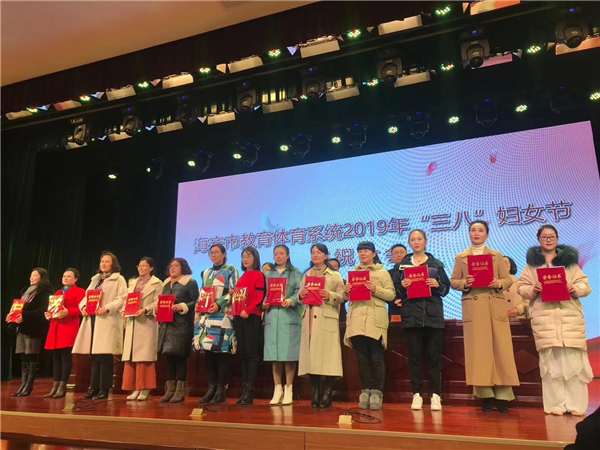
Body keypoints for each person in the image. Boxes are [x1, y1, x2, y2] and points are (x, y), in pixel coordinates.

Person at [518, 225, 593, 416]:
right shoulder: (532, 266)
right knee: (551, 366)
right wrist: (533, 289)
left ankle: (576, 405)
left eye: (552, 236)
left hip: (570, 318)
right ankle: (555, 405)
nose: (548, 239)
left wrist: (575, 289)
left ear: (557, 239)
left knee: (574, 364)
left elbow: (585, 286)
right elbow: (522, 288)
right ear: (539, 239)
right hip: (545, 320)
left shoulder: (570, 264)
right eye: (544, 236)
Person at [450, 220, 519, 413]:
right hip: (474, 306)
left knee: (501, 351)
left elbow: (507, 280)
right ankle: (486, 396)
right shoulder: (461, 257)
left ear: (487, 234)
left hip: (494, 305)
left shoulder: (496, 256)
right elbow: (453, 281)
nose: (476, 233)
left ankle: (503, 397)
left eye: (480, 230)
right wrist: (465, 282)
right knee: (479, 353)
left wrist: (498, 283)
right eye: (473, 230)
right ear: (469, 234)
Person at [393, 230, 450, 411]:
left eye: (419, 239)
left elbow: (446, 288)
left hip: (433, 315)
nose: (416, 242)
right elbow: (395, 291)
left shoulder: (436, 264)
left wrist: (437, 285)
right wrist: (402, 286)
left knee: (434, 358)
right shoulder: (402, 266)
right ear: (409, 243)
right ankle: (416, 394)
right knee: (415, 358)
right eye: (413, 239)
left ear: (425, 241)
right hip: (411, 316)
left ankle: (436, 395)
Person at [343, 242, 395, 410]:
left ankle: (377, 393)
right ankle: (365, 391)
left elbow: (391, 295)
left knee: (376, 357)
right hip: (357, 319)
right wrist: (346, 290)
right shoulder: (354, 273)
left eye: (366, 250)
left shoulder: (382, 272)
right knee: (362, 358)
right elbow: (346, 297)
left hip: (375, 318)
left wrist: (375, 289)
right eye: (360, 251)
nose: (362, 253)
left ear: (374, 253)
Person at [73, 252, 127, 400]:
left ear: (113, 264)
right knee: (95, 357)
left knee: (105, 357)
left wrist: (107, 308)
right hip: (93, 319)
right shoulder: (96, 279)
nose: (103, 264)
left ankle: (104, 389)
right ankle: (93, 388)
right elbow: (86, 296)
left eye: (107, 262)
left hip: (107, 319)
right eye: (102, 261)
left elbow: (122, 298)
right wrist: (83, 307)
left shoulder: (119, 279)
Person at [298, 244, 345, 409]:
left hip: (326, 318)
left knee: (329, 359)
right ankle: (316, 393)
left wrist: (329, 295)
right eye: (313, 252)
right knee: (312, 359)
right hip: (310, 319)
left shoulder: (334, 275)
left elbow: (342, 296)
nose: (315, 255)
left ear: (326, 256)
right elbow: (299, 296)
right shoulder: (307, 274)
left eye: (318, 252)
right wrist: (300, 295)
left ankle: (327, 394)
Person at [195, 244, 239, 404]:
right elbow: (203, 293)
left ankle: (221, 390)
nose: (213, 255)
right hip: (208, 316)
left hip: (223, 316)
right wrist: (199, 309)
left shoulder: (231, 270)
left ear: (224, 254)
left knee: (221, 353)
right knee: (209, 353)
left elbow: (234, 291)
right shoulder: (206, 272)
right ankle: (211, 388)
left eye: (216, 252)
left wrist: (219, 304)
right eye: (211, 253)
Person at [264, 245, 303, 405]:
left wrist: (290, 301)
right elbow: (264, 294)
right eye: (276, 254)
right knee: (274, 356)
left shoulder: (296, 273)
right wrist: (264, 302)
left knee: (289, 356)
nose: (278, 256)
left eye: (281, 254)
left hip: (289, 317)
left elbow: (300, 292)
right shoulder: (268, 274)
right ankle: (277, 388)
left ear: (288, 255)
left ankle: (289, 389)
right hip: (272, 317)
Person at [7, 268, 54, 397]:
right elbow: (19, 308)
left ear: (42, 277)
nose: (31, 278)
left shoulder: (45, 291)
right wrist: (12, 315)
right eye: (31, 276)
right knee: (23, 357)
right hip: (22, 327)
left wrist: (25, 316)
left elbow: (43, 310)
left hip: (34, 328)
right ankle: (23, 385)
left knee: (31, 356)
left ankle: (28, 387)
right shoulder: (26, 291)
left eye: (34, 276)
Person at [122, 257, 163, 401]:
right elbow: (126, 299)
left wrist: (145, 309)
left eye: (144, 266)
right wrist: (124, 310)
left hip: (146, 322)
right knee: (132, 357)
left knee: (144, 357)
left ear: (151, 268)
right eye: (139, 266)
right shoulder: (133, 283)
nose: (141, 268)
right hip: (132, 322)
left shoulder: (157, 283)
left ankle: (144, 388)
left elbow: (158, 301)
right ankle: (135, 388)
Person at [157, 258, 198, 403]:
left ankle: (180, 391)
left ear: (183, 267)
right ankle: (169, 390)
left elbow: (196, 301)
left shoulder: (189, 282)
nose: (172, 268)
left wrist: (183, 306)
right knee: (169, 357)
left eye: (176, 266)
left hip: (182, 325)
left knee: (180, 357)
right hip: (167, 325)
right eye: (171, 266)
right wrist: (158, 308)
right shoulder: (166, 283)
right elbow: (163, 300)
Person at [43, 268, 85, 398]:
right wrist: (49, 314)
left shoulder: (80, 291)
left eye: (69, 276)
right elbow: (53, 309)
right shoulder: (58, 292)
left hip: (68, 327)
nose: (65, 278)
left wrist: (68, 312)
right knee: (56, 358)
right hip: (55, 327)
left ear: (75, 279)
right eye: (64, 276)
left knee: (65, 358)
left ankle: (62, 387)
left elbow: (81, 309)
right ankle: (55, 386)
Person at [233, 247, 266, 405]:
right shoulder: (242, 276)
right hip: (239, 317)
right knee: (243, 354)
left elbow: (260, 297)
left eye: (248, 256)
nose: (245, 259)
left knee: (252, 354)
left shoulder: (259, 275)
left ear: (255, 258)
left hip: (252, 316)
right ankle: (244, 388)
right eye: (243, 257)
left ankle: (249, 390)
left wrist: (249, 310)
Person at [387, 244, 408, 320]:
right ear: (391, 257)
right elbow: (384, 292)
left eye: (402, 252)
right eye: (396, 253)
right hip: (395, 308)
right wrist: (394, 301)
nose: (399, 255)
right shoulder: (387, 274)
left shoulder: (413, 271)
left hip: (412, 308)